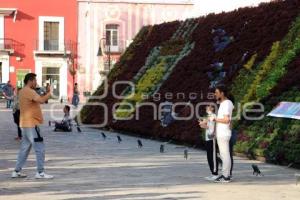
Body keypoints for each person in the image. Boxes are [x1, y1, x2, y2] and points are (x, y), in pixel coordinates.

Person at [11, 73, 53, 179]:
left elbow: (37, 99)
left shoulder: (22, 91)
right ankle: (40, 172)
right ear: (30, 80)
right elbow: (42, 100)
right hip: (31, 124)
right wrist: (50, 92)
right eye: (35, 80)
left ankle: (16, 171)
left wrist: (44, 92)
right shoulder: (29, 91)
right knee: (40, 148)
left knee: (24, 149)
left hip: (24, 124)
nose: (36, 83)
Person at [212, 85, 234, 183]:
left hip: (223, 133)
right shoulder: (225, 103)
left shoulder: (226, 103)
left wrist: (214, 119)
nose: (215, 94)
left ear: (222, 93)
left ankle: (226, 176)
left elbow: (226, 119)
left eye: (217, 92)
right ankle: (226, 175)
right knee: (224, 154)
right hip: (223, 132)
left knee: (225, 155)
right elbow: (229, 120)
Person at [199, 105, 219, 181]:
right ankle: (212, 173)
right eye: (206, 107)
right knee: (209, 156)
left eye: (209, 107)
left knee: (213, 156)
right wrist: (202, 125)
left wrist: (203, 122)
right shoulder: (208, 116)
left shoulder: (213, 115)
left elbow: (208, 122)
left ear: (213, 108)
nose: (207, 108)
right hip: (208, 138)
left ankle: (215, 174)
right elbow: (207, 126)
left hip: (212, 139)